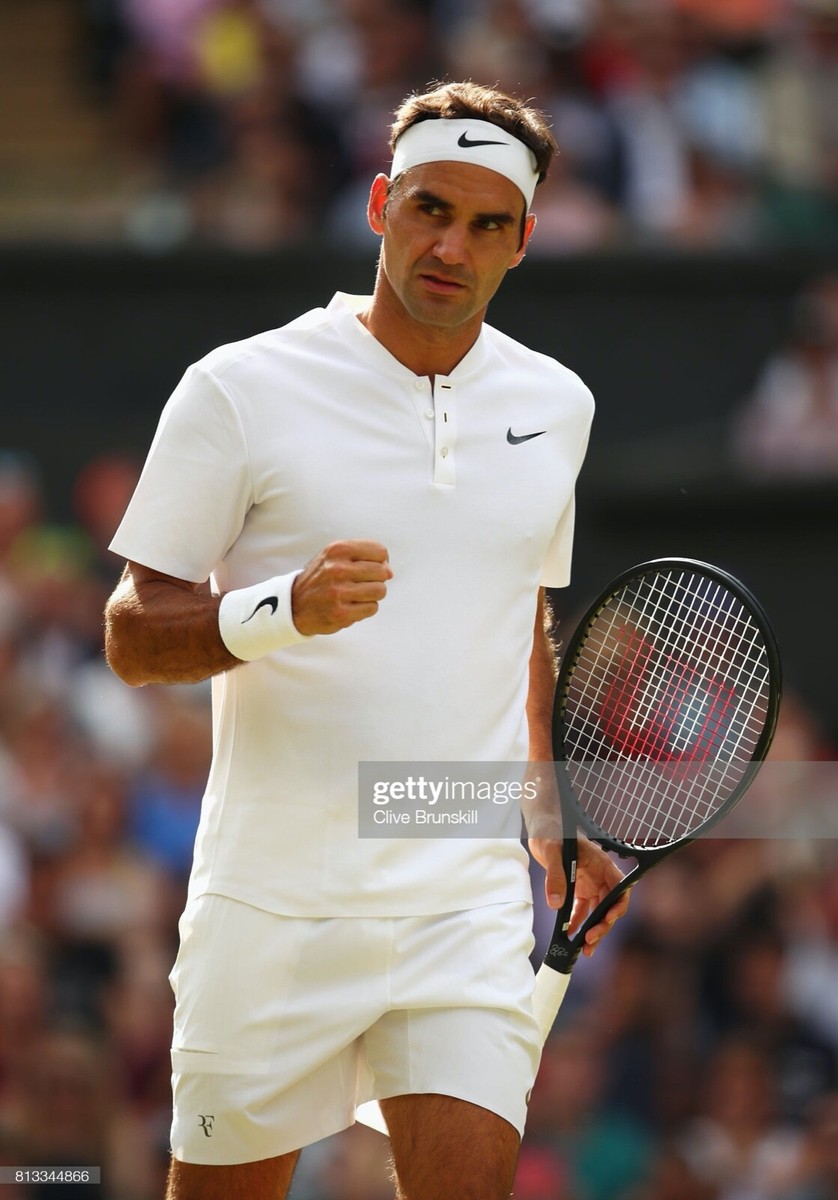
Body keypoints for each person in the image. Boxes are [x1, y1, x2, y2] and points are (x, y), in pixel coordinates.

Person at [103, 79, 630, 1200]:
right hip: (271, 900)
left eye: (489, 224)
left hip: (463, 898)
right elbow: (134, 636)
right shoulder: (238, 389)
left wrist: (545, 811)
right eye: (431, 208)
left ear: (523, 242)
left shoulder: (558, 406)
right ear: (383, 202)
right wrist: (282, 609)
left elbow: (518, 607)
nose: (453, 245)